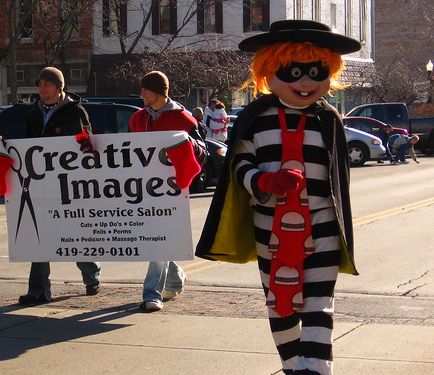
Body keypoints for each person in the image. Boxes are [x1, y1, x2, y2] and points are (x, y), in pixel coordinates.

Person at [196, 20, 360, 375]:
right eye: (294, 71)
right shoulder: (256, 118)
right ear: (269, 71)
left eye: (316, 72)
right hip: (270, 228)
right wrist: (265, 180)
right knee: (281, 302)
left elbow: (337, 177)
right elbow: (239, 162)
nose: (305, 81)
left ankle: (315, 369)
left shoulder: (329, 119)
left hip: (323, 226)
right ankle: (292, 366)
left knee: (319, 303)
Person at [18, 67, 101, 305]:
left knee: (74, 234)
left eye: (47, 84)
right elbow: (27, 147)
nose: (42, 89)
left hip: (70, 187)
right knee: (39, 234)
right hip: (41, 184)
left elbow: (88, 148)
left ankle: (91, 275)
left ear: (59, 87)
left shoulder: (75, 112)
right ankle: (38, 290)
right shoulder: (34, 113)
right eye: (40, 84)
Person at [129, 71, 207, 312]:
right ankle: (175, 278)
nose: (141, 94)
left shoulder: (185, 119)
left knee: (158, 238)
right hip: (143, 188)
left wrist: (187, 144)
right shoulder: (137, 119)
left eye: (145, 90)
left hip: (172, 190)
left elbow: (202, 154)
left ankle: (151, 293)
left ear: (160, 92)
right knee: (158, 238)